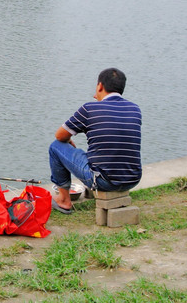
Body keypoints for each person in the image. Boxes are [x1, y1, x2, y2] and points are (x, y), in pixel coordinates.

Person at [49, 68, 142, 214]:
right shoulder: (135, 109)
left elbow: (59, 136)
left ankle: (64, 199)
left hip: (103, 181)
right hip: (132, 179)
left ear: (99, 86)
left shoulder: (89, 108)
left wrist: (67, 140)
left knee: (56, 147)